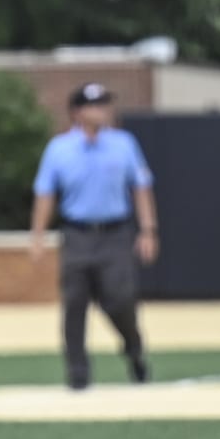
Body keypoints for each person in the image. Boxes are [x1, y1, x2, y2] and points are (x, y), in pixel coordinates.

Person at [30, 82, 159, 389]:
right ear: (77, 112)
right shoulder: (59, 149)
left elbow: (140, 187)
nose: (101, 111)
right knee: (74, 302)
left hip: (115, 233)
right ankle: (77, 372)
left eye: (104, 104)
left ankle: (134, 350)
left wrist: (149, 229)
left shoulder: (124, 143)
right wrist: (37, 234)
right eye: (94, 105)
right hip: (77, 234)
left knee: (120, 299)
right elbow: (45, 194)